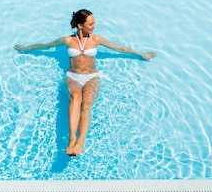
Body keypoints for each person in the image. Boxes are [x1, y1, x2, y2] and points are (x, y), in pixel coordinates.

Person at [14, 9, 156, 157]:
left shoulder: (96, 40)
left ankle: (81, 140)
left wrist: (141, 54)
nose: (93, 26)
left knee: (86, 104)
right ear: (80, 25)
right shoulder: (68, 41)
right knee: (75, 97)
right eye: (90, 24)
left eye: (94, 23)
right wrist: (27, 48)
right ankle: (72, 138)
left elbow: (119, 48)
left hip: (91, 77)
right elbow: (46, 45)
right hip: (73, 76)